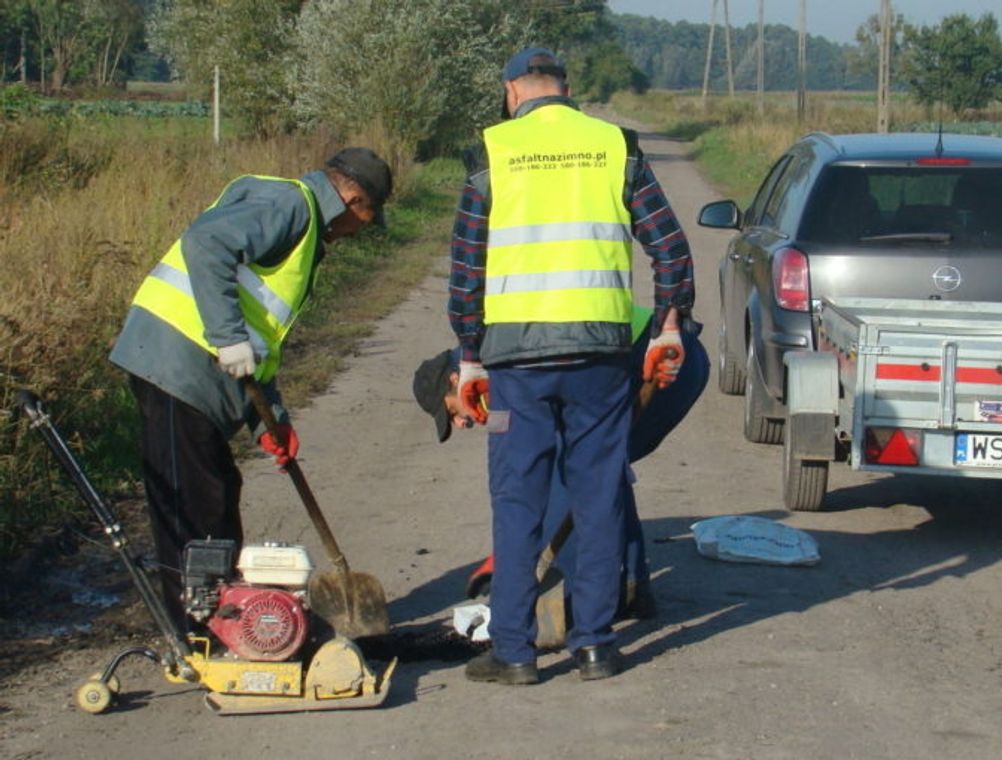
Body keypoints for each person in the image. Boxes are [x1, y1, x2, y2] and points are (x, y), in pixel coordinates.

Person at [447, 46, 695, 684]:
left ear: (511, 93)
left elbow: (467, 271)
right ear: (566, 88)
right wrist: (668, 323)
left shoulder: (493, 153)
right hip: (601, 359)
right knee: (598, 494)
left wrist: (469, 356)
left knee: (517, 499)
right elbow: (670, 248)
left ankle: (514, 652)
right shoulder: (614, 146)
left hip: (516, 364)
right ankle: (594, 646)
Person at [110, 148, 392, 631]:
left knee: (217, 494)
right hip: (176, 363)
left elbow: (260, 331)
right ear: (353, 198)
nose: (360, 231)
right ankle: (196, 635)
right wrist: (227, 338)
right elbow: (206, 244)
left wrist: (270, 418)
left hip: (193, 370)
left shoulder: (298, 219)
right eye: (367, 218)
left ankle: (218, 619)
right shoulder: (292, 206)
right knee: (192, 506)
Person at [413, 306, 709, 628]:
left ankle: (576, 601)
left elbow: (522, 473)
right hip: (675, 354)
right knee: (602, 471)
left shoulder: (494, 363)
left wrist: (512, 566)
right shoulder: (493, 354)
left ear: (456, 379)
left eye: (451, 413)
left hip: (662, 359)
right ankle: (631, 589)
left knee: (573, 471)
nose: (459, 423)